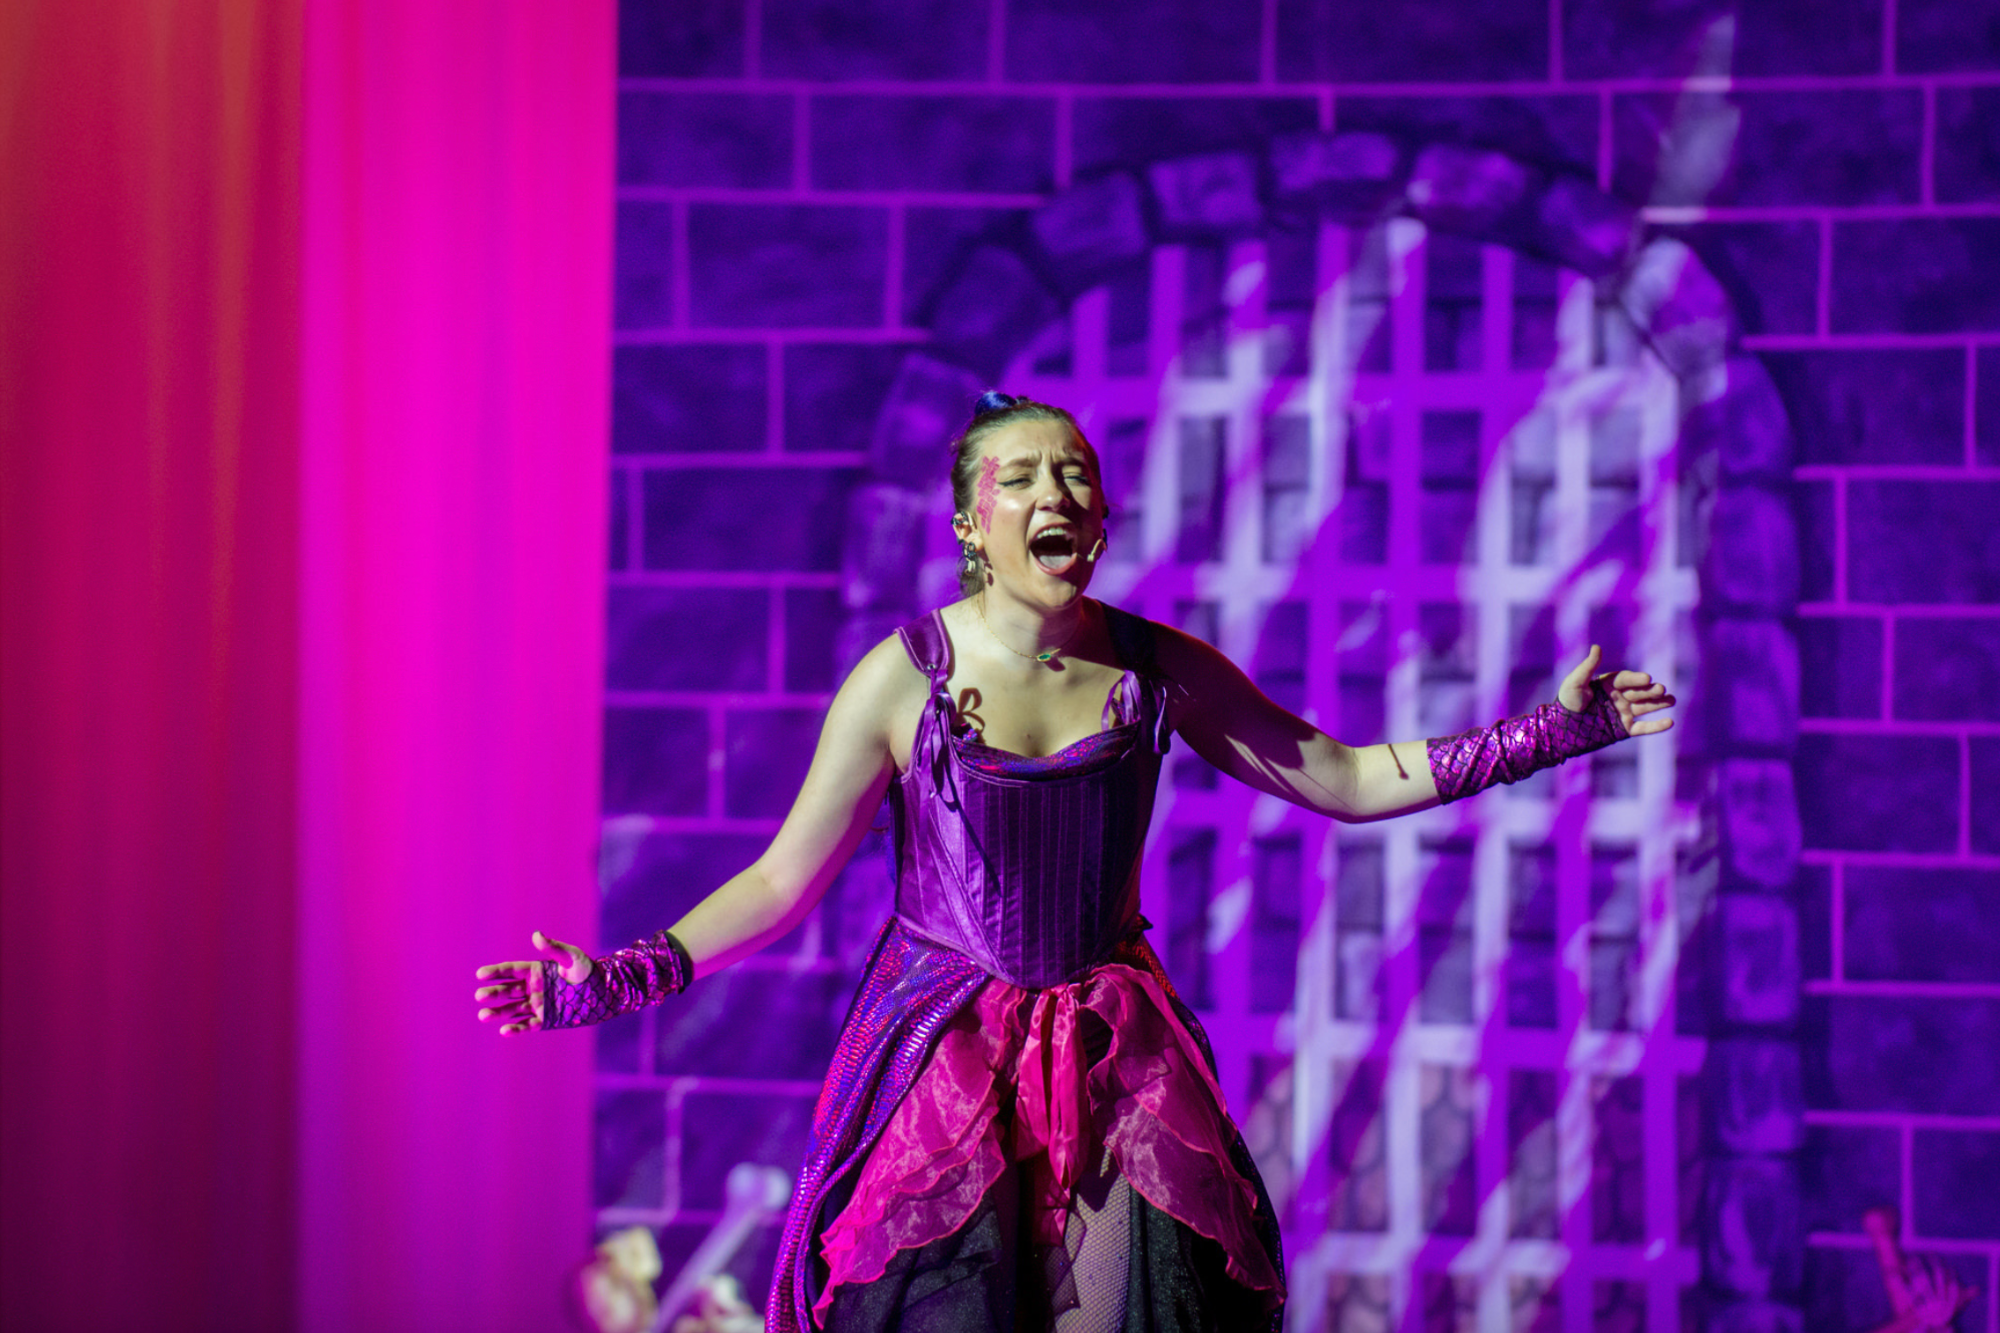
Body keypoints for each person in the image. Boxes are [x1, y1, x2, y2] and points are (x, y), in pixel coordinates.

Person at [474, 392, 1676, 1333]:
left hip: (1112, 1054)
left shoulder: (1155, 667)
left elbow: (1346, 778)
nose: (1056, 491)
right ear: (969, 523)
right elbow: (783, 881)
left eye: (1076, 474)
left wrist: (1549, 731)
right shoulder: (902, 679)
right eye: (1022, 476)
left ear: (1099, 517)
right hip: (942, 1054)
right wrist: (620, 976)